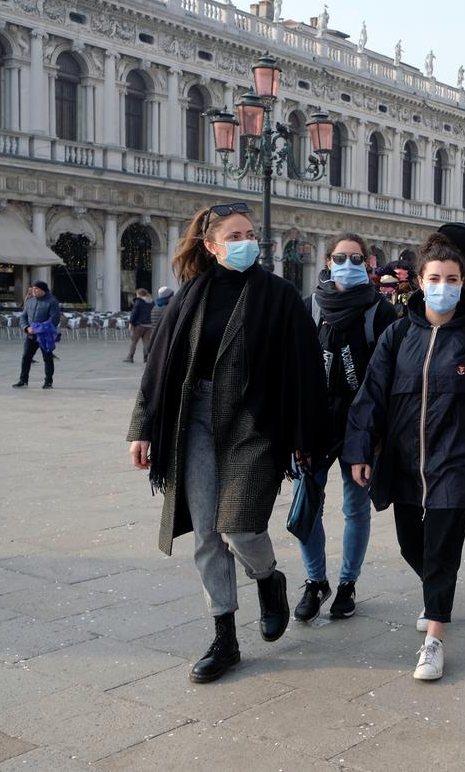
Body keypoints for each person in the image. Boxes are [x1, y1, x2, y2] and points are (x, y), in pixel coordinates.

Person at [127, 201, 327, 684]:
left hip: (255, 421)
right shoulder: (192, 292)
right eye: (234, 236)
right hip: (192, 417)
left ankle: (268, 579)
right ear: (212, 246)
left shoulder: (278, 295)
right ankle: (225, 638)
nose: (246, 243)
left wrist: (305, 436)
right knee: (205, 535)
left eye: (250, 234)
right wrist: (141, 428)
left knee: (239, 528)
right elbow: (159, 365)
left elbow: (304, 369)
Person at [345, 233, 465, 682]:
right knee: (410, 544)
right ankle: (435, 591)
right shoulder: (398, 334)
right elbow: (370, 397)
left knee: (443, 551)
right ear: (421, 281)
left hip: (457, 462)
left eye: (453, 278)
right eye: (436, 277)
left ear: (464, 283)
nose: (444, 285)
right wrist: (360, 448)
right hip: (405, 459)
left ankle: (434, 639)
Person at [292, 233, 398, 624]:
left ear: (369, 264)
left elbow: (389, 379)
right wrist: (295, 431)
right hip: (315, 425)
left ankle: (347, 584)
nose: (348, 265)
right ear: (328, 261)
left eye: (356, 259)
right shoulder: (309, 307)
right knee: (308, 504)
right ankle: (315, 580)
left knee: (355, 508)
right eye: (341, 257)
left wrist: (378, 434)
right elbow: (296, 373)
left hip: (361, 426)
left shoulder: (380, 313)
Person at [14, 281, 61, 389]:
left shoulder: (52, 301)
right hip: (30, 335)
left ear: (43, 290)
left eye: (36, 289)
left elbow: (54, 319)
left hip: (44, 336)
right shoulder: (29, 301)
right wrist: (26, 327)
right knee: (26, 357)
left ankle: (48, 381)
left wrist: (37, 329)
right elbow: (23, 317)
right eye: (33, 289)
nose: (34, 291)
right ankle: (23, 380)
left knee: (47, 358)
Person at [125, 288, 154, 363]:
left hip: (139, 325)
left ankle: (130, 357)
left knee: (133, 341)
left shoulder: (138, 301)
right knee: (146, 342)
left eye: (137, 294)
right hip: (149, 325)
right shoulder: (151, 302)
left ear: (139, 294)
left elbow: (134, 313)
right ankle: (146, 358)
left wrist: (131, 323)